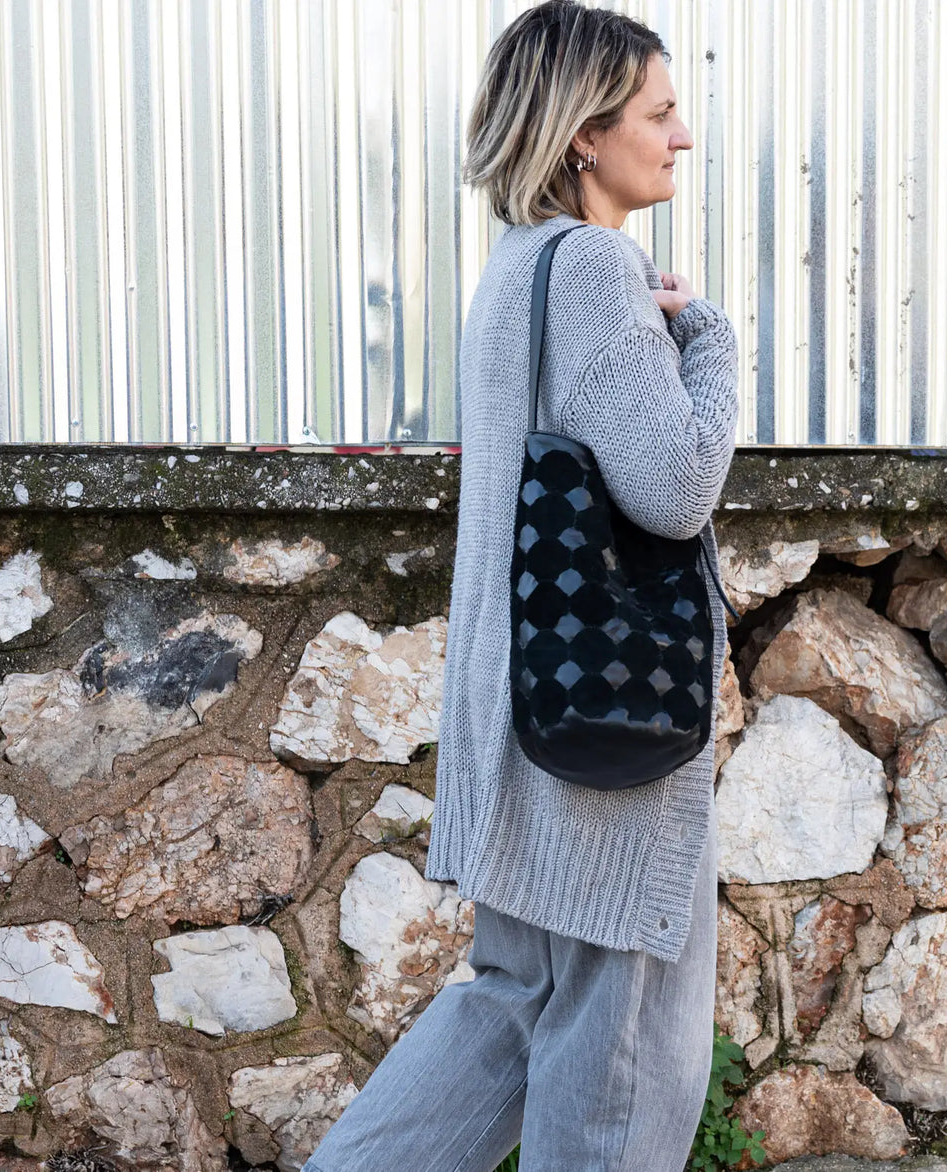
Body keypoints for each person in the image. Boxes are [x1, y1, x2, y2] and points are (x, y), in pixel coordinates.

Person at [301, 2, 739, 1169]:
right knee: (624, 1061)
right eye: (660, 110)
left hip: (523, 713)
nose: (683, 135)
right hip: (606, 734)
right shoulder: (597, 266)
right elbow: (678, 485)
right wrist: (710, 343)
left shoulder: (519, 270)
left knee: (507, 1010)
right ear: (585, 134)